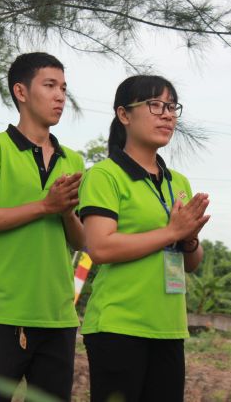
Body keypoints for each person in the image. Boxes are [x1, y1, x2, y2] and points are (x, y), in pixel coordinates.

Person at [78, 75, 210, 402]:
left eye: (171, 107)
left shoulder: (178, 182)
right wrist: (172, 231)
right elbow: (100, 247)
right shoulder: (104, 175)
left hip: (168, 326)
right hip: (118, 326)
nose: (167, 115)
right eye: (155, 105)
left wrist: (189, 239)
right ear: (124, 114)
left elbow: (191, 263)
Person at [0, 52, 84, 401]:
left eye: (64, 88)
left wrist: (65, 213)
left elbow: (82, 241)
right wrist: (45, 206)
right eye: (50, 86)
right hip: (4, 313)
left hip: (59, 316)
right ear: (21, 92)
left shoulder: (73, 160)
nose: (60, 96)